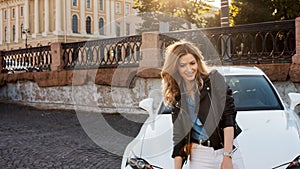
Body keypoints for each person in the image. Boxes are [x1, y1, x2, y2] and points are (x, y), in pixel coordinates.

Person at [160, 40, 244, 169]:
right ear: (175, 67)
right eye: (183, 65)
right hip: (199, 154)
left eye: (192, 63)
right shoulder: (177, 96)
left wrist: (227, 157)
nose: (189, 69)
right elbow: (179, 136)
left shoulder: (215, 80)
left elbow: (228, 119)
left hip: (226, 149)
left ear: (198, 62)